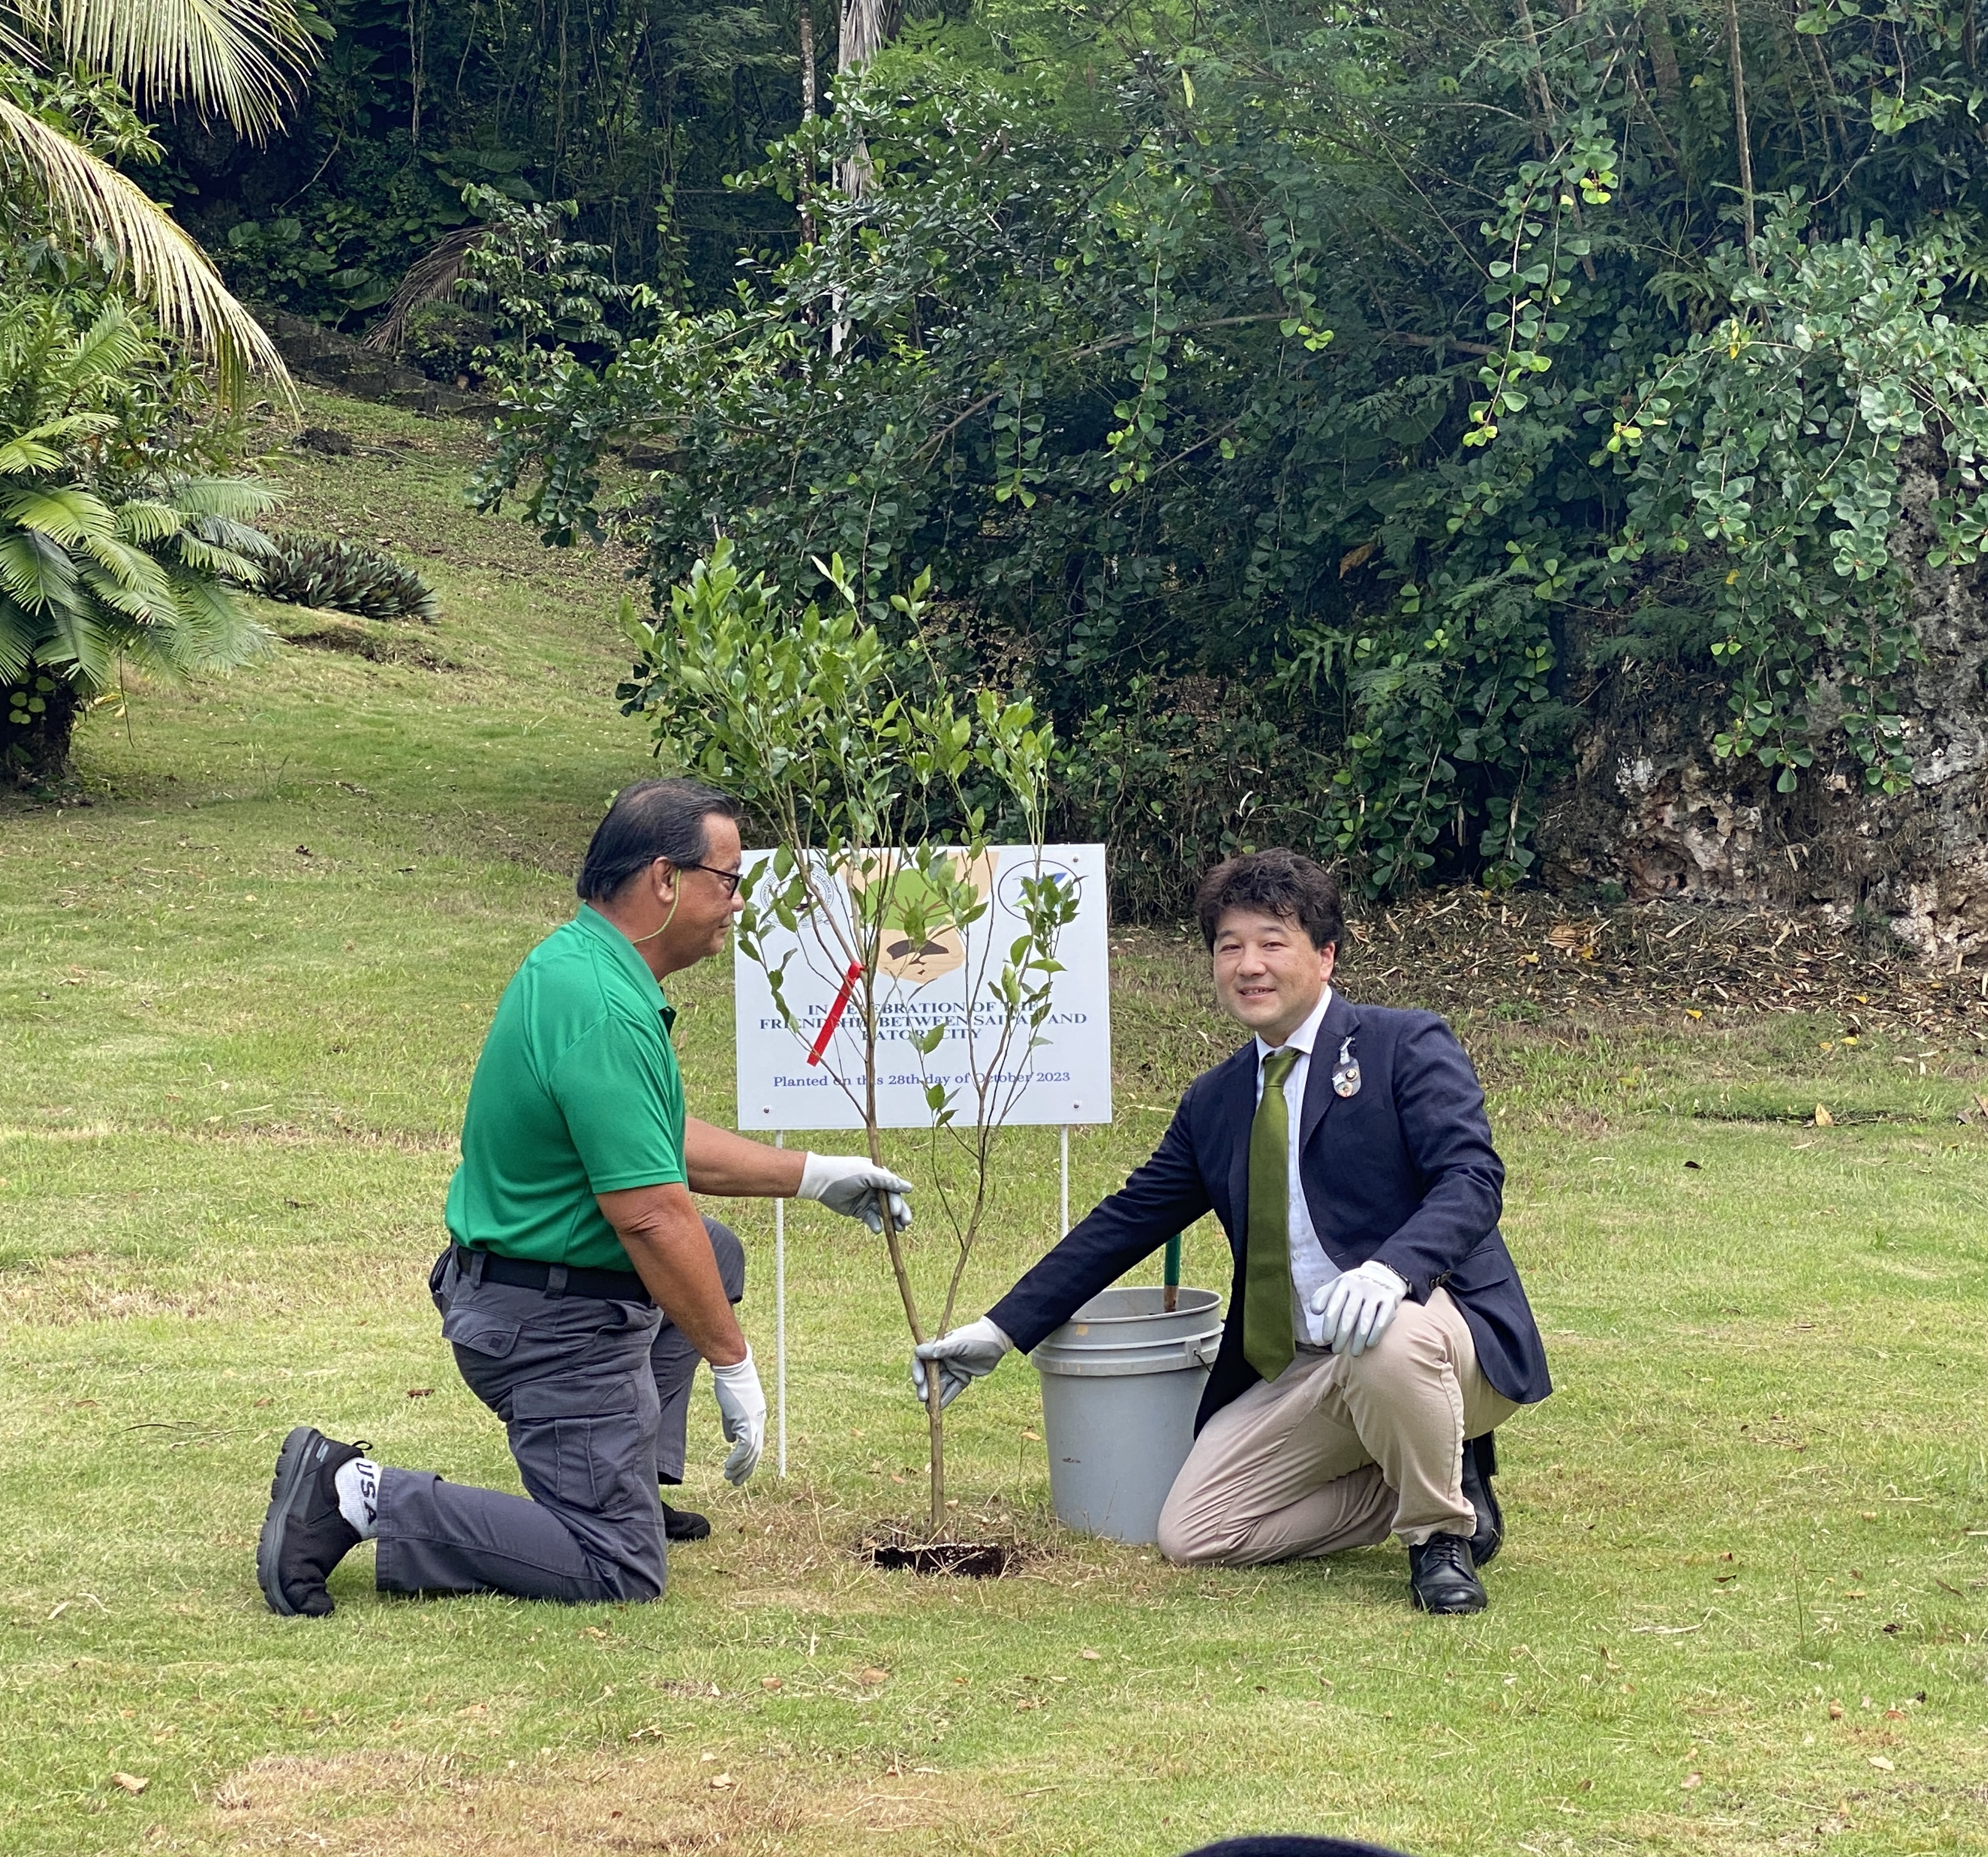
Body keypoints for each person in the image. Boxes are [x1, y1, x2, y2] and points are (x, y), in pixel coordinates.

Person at [256, 777, 914, 1616]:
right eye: (728, 879)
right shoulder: (603, 1005)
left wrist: (815, 1175)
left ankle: (622, 1477)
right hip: (545, 1327)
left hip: (516, 1286)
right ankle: (358, 1492)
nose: (738, 903)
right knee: (616, 1570)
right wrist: (733, 1363)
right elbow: (646, 1211)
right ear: (665, 880)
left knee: (715, 1250)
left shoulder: (582, 962)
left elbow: (647, 1144)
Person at [914, 850, 1551, 1614]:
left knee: (1386, 1340)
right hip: (1306, 1364)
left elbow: (1471, 1182)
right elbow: (1126, 1220)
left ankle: (1440, 1535)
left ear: (1326, 955)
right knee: (1195, 1533)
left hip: (1439, 1338)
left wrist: (1391, 1272)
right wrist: (1001, 1330)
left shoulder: (1403, 1047)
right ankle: (1421, 1471)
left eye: (1272, 942)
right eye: (1228, 945)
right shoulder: (1215, 1102)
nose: (1248, 965)